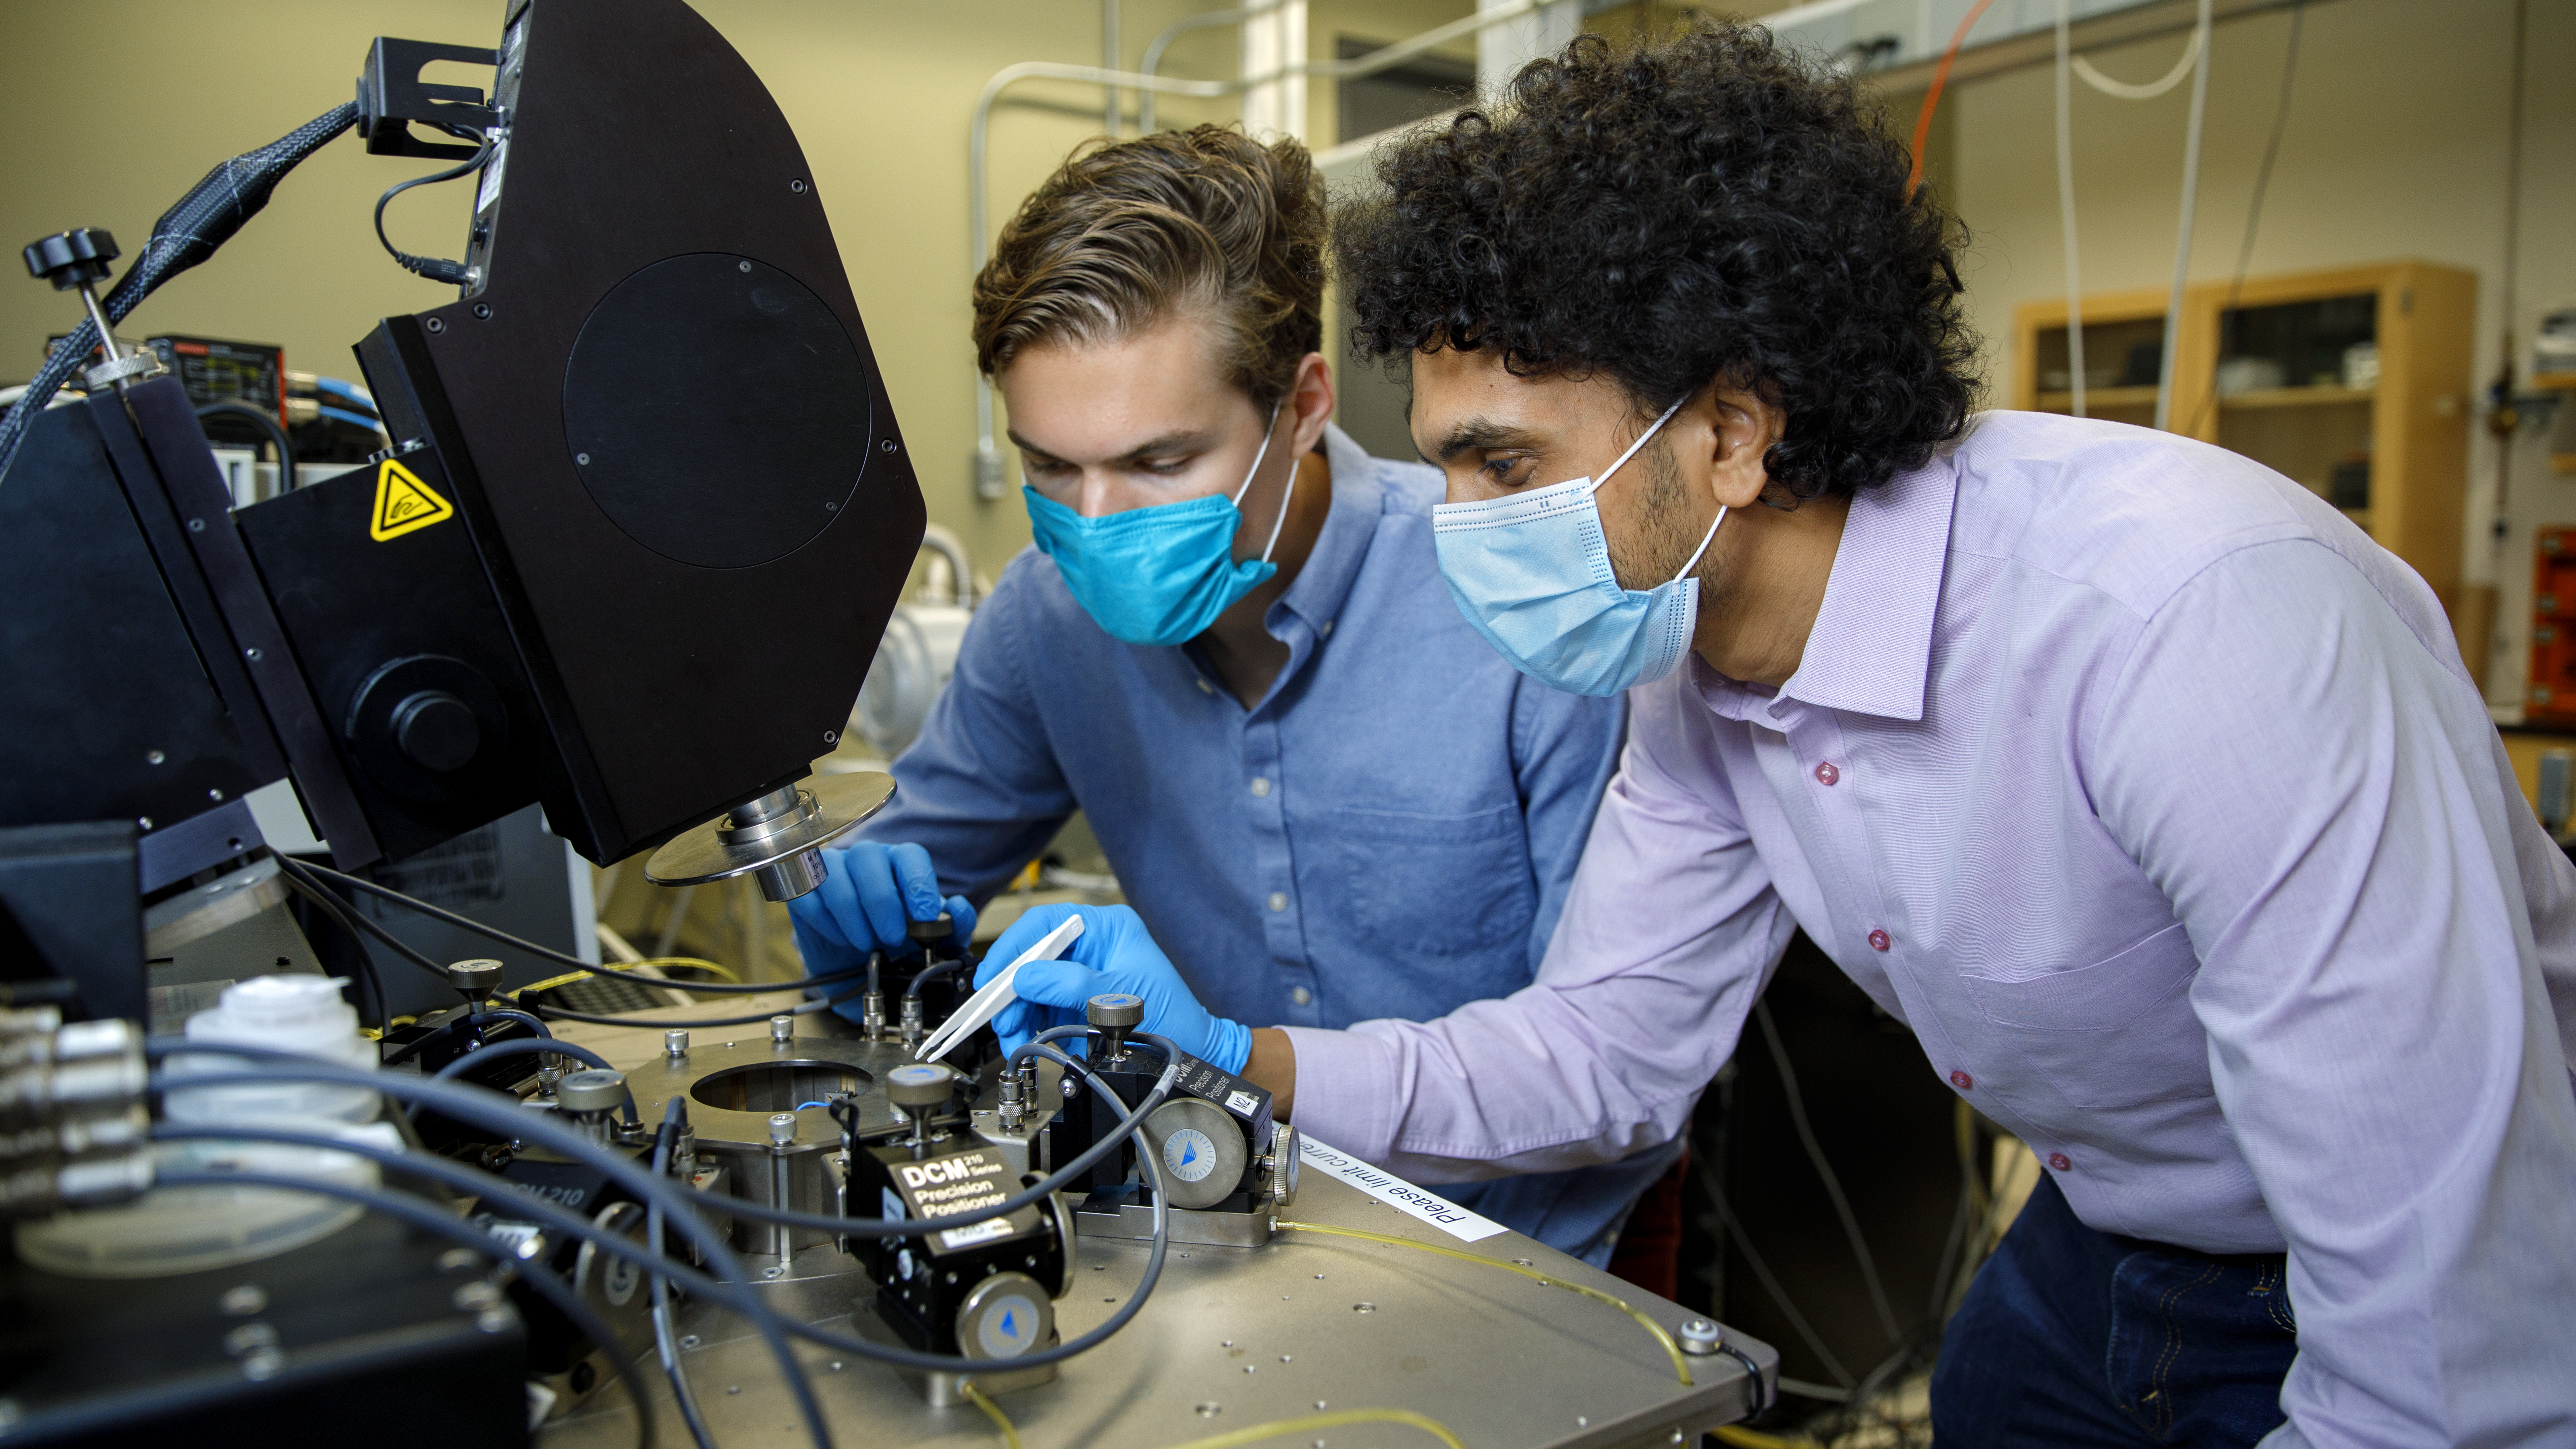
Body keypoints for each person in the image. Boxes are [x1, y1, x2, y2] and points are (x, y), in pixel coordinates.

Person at [972, 24, 2576, 1447]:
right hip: (2113, 1226)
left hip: (2413, 1238)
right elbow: (1602, 1058)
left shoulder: (2192, 624)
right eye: (1442, 467)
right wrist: (1232, 1053)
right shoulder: (1696, 672)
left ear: (1731, 433)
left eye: (1503, 468)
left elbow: (2447, 1357)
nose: (1454, 531)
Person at [788, 126, 1661, 1264]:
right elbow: (905, 922)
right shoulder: (1045, 621)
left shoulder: (1511, 605)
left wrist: (1247, 1057)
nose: (1092, 523)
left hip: (1508, 1253)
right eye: (1053, 467)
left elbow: (1608, 1063)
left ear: (1301, 404)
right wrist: (850, 929)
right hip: (1211, 1229)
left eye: (1157, 465)